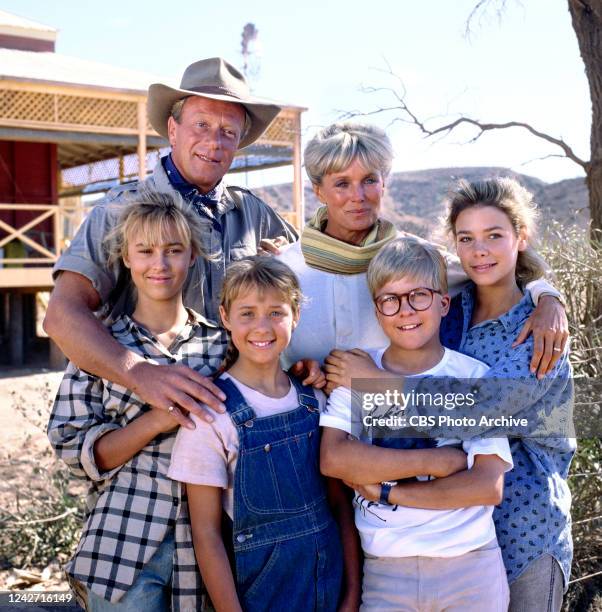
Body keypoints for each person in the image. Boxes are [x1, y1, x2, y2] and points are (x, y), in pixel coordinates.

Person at [44, 57, 299, 427]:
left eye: (229, 132)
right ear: (173, 129)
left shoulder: (255, 214)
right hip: (144, 428)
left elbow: (300, 298)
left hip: (240, 428)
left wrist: (301, 357)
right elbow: (61, 315)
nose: (214, 142)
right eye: (201, 125)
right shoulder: (120, 210)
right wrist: (139, 372)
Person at [47, 189, 227, 611]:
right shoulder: (101, 349)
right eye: (144, 251)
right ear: (125, 258)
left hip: (206, 554)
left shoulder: (222, 347)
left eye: (174, 250)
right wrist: (155, 420)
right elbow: (78, 451)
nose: (159, 264)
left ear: (193, 255)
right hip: (122, 548)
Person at [276, 122, 568, 380]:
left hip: (402, 433)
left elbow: (487, 266)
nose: (358, 196)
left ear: (384, 182)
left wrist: (548, 298)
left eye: (369, 180)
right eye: (342, 183)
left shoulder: (418, 258)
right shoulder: (284, 268)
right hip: (310, 435)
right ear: (318, 191)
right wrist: (294, 373)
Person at [320, 237, 513, 611]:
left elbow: (487, 485)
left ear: (443, 303)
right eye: (390, 299)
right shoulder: (356, 370)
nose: (405, 311)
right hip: (385, 570)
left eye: (418, 296)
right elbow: (335, 458)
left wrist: (389, 492)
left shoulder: (475, 378)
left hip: (469, 567)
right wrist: (434, 461)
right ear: (377, 311)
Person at [168, 257, 357, 611]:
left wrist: (351, 594)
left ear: (295, 315)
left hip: (328, 589)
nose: (262, 327)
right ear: (225, 317)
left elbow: (338, 505)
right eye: (247, 313)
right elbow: (207, 535)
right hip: (259, 598)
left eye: (276, 313)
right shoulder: (212, 415)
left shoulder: (315, 400)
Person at [439, 178, 575, 612]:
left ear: (521, 237)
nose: (480, 250)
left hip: (527, 528)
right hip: (457, 531)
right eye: (467, 238)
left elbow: (482, 410)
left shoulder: (541, 329)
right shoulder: (450, 312)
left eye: (494, 235)